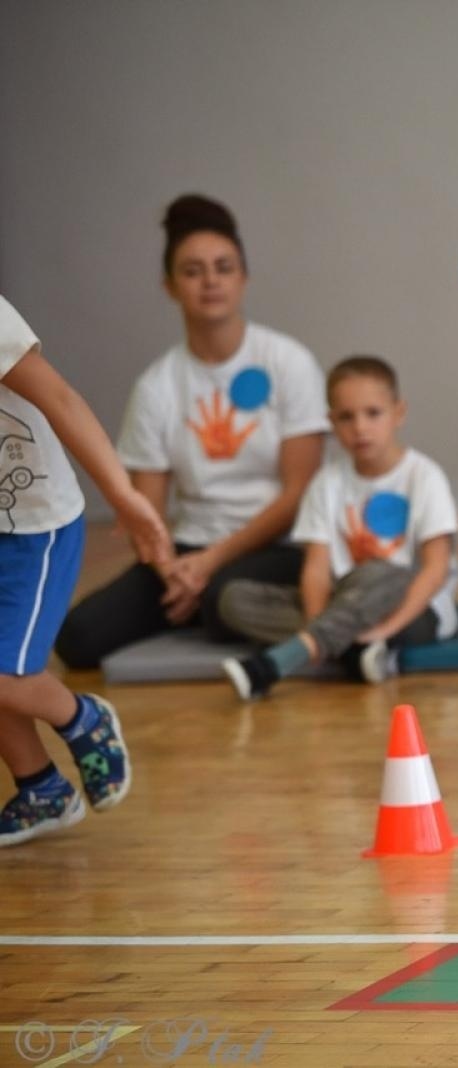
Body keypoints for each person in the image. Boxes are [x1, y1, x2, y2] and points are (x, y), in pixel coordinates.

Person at [53, 194, 328, 668]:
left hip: (278, 546)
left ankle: (301, 618)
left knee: (226, 593)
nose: (210, 281)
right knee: (78, 637)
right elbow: (147, 514)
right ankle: (201, 603)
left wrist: (210, 564)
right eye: (193, 270)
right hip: (190, 551)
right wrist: (173, 571)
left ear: (244, 277)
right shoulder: (157, 385)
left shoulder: (289, 362)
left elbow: (298, 494)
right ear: (169, 286)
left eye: (223, 267)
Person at [0, 296, 167, 845]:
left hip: (31, 524)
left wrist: (122, 495)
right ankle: (41, 788)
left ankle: (82, 718)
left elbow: (60, 398)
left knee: (7, 673)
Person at [218, 356, 458, 698]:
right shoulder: (326, 483)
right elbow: (316, 570)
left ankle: (282, 661)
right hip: (346, 601)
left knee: (386, 573)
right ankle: (353, 652)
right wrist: (322, 625)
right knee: (234, 600)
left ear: (398, 413)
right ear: (331, 422)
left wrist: (385, 629)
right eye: (346, 417)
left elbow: (435, 570)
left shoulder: (425, 477)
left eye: (373, 413)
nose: (360, 427)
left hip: (411, 608)